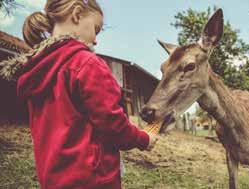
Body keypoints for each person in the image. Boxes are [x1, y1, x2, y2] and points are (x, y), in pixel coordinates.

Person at [0, 0, 158, 188]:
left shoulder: (36, 71)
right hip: (92, 180)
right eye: (96, 29)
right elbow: (112, 121)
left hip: (52, 180)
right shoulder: (86, 63)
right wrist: (143, 139)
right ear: (76, 14)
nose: (96, 39)